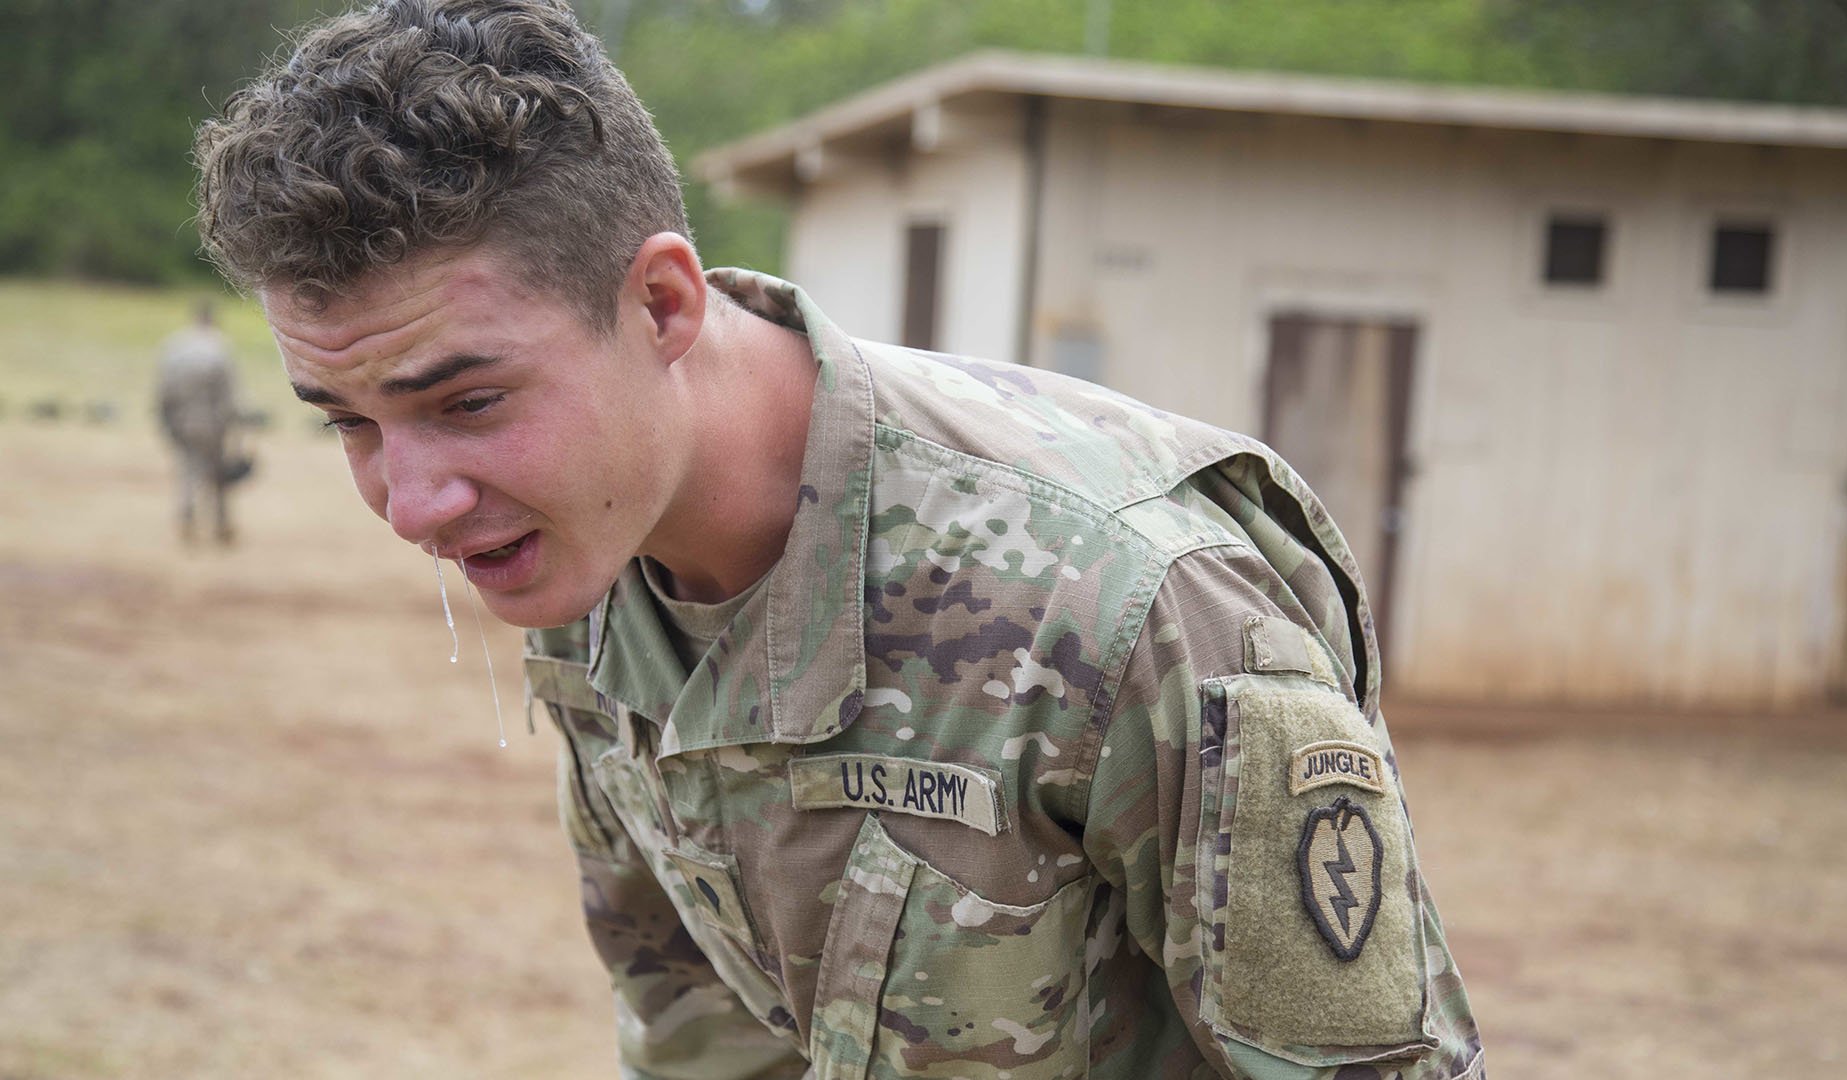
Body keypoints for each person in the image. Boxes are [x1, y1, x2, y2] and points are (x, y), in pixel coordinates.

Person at [194, 2, 1484, 1076]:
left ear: (658, 303)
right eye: (347, 425)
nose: (414, 504)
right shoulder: (580, 549)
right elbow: (700, 1026)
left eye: (466, 403)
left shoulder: (1126, 603)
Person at [157, 300, 241, 544]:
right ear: (213, 320)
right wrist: (235, 429)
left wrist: (166, 422)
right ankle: (221, 526)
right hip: (212, 421)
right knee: (217, 476)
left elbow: (163, 390)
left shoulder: (174, 347)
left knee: (187, 471)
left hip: (181, 419)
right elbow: (230, 394)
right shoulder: (220, 347)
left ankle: (186, 518)